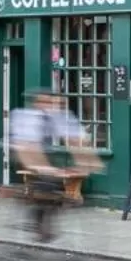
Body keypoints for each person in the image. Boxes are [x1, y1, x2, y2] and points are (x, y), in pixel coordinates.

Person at [9, 91, 102, 242]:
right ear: (37, 104)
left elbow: (76, 140)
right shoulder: (27, 118)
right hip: (23, 153)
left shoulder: (59, 117)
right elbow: (28, 148)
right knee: (46, 184)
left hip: (47, 156)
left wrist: (89, 163)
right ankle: (38, 221)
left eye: (55, 104)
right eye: (46, 103)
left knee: (56, 190)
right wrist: (44, 168)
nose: (52, 107)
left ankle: (47, 214)